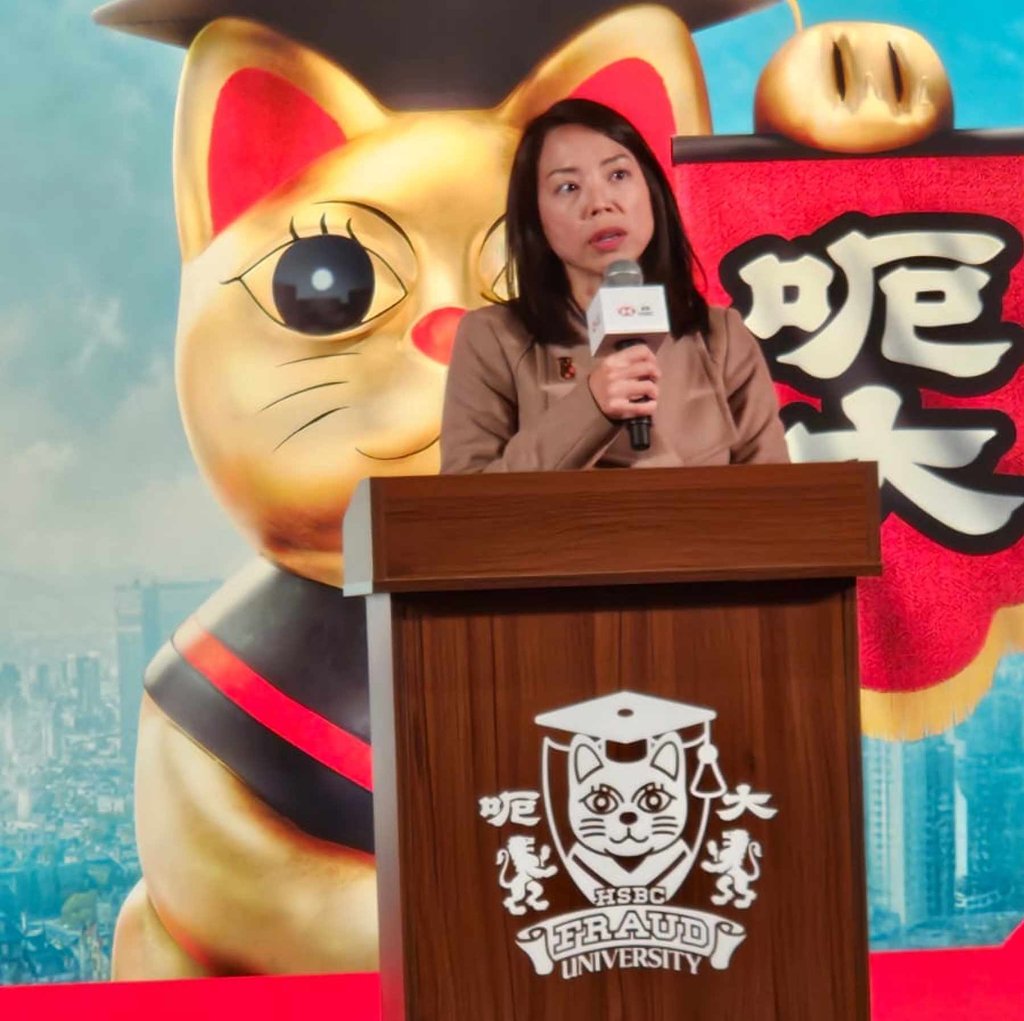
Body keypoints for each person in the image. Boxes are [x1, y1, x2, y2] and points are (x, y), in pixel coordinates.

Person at [439, 98, 788, 473]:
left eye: (618, 175)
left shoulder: (721, 338)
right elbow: (467, 495)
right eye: (568, 187)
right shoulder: (492, 339)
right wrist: (591, 406)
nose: (600, 204)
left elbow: (776, 496)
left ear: (652, 191)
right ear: (535, 217)